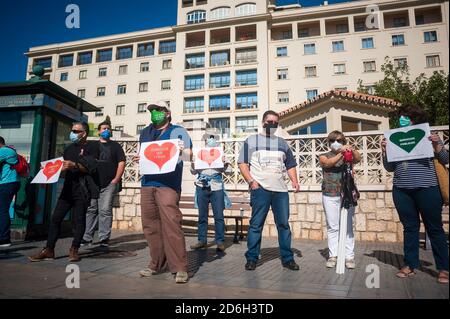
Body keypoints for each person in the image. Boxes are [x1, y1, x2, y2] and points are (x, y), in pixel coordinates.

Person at [381, 104, 449, 284]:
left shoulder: (429, 135)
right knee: (410, 228)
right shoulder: (394, 137)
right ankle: (410, 265)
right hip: (402, 190)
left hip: (428, 188)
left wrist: (436, 144)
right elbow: (389, 167)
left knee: (434, 228)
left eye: (407, 116)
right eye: (401, 116)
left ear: (415, 119)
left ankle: (443, 268)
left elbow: (445, 159)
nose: (402, 119)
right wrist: (384, 150)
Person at [135, 101, 192, 284]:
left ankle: (180, 267)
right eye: (152, 111)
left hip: (168, 185)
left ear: (167, 113)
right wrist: (139, 157)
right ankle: (156, 264)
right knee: (150, 226)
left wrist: (181, 152)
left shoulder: (178, 131)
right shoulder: (145, 132)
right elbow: (142, 154)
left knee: (172, 224)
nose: (154, 113)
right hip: (147, 183)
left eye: (158, 110)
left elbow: (189, 155)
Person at [238, 110, 300, 271]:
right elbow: (242, 163)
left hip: (281, 192)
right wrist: (251, 182)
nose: (272, 124)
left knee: (283, 225)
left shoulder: (282, 143)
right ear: (263, 122)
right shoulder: (251, 140)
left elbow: (290, 165)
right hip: (261, 190)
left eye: (275, 122)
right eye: (269, 121)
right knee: (256, 225)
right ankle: (252, 258)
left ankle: (288, 259)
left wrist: (295, 181)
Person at [29, 122, 99, 262]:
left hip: (82, 189)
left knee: (79, 221)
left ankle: (74, 249)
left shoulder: (93, 147)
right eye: (71, 130)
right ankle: (49, 249)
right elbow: (63, 169)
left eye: (75, 131)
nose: (72, 133)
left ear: (84, 133)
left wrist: (76, 165)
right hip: (68, 189)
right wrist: (51, 173)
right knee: (56, 219)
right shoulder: (68, 149)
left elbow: (92, 169)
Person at [319, 131, 361, 269]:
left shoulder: (347, 154)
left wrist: (351, 149)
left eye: (339, 140)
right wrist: (340, 154)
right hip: (329, 195)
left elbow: (358, 158)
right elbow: (328, 163)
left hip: (346, 194)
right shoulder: (324, 155)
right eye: (332, 141)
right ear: (329, 143)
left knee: (348, 226)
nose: (335, 143)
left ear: (343, 141)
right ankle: (333, 256)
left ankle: (349, 257)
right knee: (333, 227)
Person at [81, 121, 126, 247]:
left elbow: (121, 162)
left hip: (109, 183)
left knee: (105, 210)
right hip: (94, 183)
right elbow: (85, 161)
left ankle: (104, 238)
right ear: (99, 131)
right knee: (91, 209)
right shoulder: (92, 145)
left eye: (108, 128)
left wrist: (116, 179)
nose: (106, 130)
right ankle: (87, 238)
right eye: (104, 128)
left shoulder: (116, 146)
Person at [190, 131, 232, 252]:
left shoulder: (221, 153)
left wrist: (226, 163)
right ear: (205, 140)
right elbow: (193, 172)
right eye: (208, 138)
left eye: (213, 138)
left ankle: (220, 242)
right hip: (202, 186)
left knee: (218, 216)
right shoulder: (199, 153)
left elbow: (228, 172)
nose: (211, 140)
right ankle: (201, 240)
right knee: (202, 215)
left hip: (217, 187)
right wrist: (193, 163)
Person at [0, 136, 21, 247]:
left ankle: (4, 239)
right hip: (9, 182)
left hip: (7, 183)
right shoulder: (9, 150)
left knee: (2, 210)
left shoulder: (4, 151)